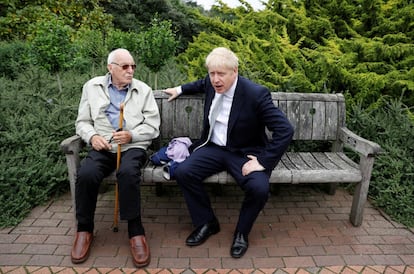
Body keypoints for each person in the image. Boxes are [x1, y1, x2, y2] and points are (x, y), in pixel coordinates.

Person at [164, 47, 294, 258]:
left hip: (244, 152)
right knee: (184, 172)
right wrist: (179, 89)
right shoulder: (211, 83)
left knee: (259, 189)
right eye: (212, 73)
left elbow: (285, 130)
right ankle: (206, 222)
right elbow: (200, 83)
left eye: (221, 74)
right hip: (213, 148)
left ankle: (242, 232)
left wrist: (263, 161)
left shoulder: (256, 94)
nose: (215, 80)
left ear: (235, 71)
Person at [72, 48, 160, 267]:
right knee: (86, 174)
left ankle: (135, 231)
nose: (130, 71)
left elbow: (153, 126)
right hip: (103, 145)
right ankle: (84, 229)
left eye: (133, 66)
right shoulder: (91, 87)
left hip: (133, 146)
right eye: (125, 67)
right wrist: (92, 137)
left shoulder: (143, 90)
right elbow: (82, 122)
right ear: (110, 68)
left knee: (128, 173)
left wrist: (132, 135)